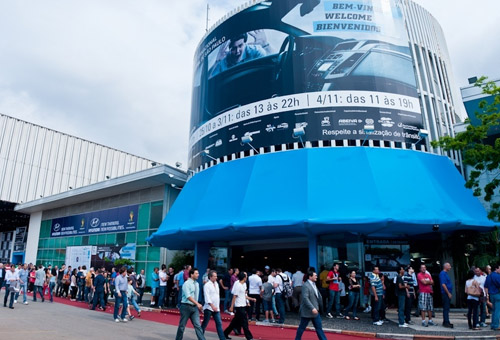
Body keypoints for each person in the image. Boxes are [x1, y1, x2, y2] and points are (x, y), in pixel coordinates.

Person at [294, 270, 327, 340]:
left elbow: (318, 296)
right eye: (315, 275)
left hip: (315, 310)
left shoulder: (314, 284)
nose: (316, 277)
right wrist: (312, 308)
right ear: (310, 277)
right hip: (307, 311)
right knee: (302, 327)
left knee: (319, 328)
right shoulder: (305, 285)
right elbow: (305, 298)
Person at [175, 268, 206, 340]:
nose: (198, 275)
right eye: (196, 273)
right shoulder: (186, 284)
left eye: (198, 273)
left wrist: (197, 304)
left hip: (194, 308)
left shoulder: (197, 284)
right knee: (182, 326)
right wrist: (198, 304)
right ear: (192, 275)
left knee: (198, 325)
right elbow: (188, 296)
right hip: (186, 307)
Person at [224, 272, 256, 340]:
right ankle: (249, 337)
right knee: (244, 322)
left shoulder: (243, 285)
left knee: (234, 322)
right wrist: (232, 306)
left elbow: (244, 295)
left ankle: (225, 333)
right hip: (239, 306)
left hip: (243, 305)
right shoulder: (238, 285)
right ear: (244, 278)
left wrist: (251, 299)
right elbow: (234, 296)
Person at [201, 270, 226, 340]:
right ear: (210, 277)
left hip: (216, 308)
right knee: (205, 323)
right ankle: (200, 336)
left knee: (219, 323)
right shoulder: (206, 285)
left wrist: (216, 306)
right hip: (209, 308)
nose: (216, 277)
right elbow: (207, 297)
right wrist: (212, 305)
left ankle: (222, 338)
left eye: (216, 276)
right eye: (214, 276)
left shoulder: (217, 284)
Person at [485, 263, 500, 330]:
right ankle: (496, 325)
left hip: (491, 294)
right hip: (497, 294)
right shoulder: (497, 276)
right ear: (496, 269)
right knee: (497, 310)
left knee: (493, 310)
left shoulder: (488, 276)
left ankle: (493, 324)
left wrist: (487, 294)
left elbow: (486, 286)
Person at [439, 263, 454, 328]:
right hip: (445, 293)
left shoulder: (445, 274)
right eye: (449, 266)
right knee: (446, 308)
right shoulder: (443, 274)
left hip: (447, 292)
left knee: (447, 308)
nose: (450, 267)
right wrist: (448, 293)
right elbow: (443, 284)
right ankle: (446, 321)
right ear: (446, 266)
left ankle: (446, 321)